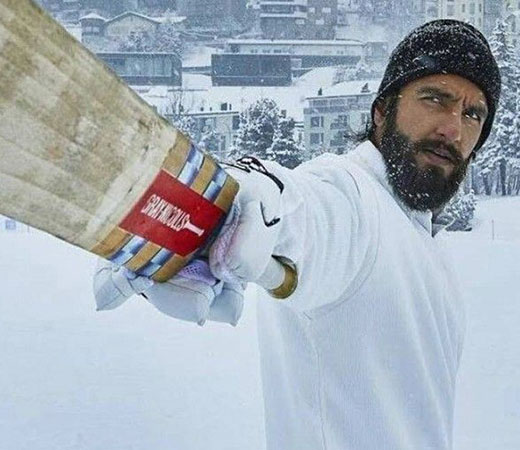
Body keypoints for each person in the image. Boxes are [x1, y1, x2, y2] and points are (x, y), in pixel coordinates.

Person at [93, 20, 501, 450]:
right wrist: (233, 202)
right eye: (435, 98)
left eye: (473, 113)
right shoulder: (353, 197)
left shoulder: (425, 238)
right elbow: (302, 210)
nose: (454, 128)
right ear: (383, 110)